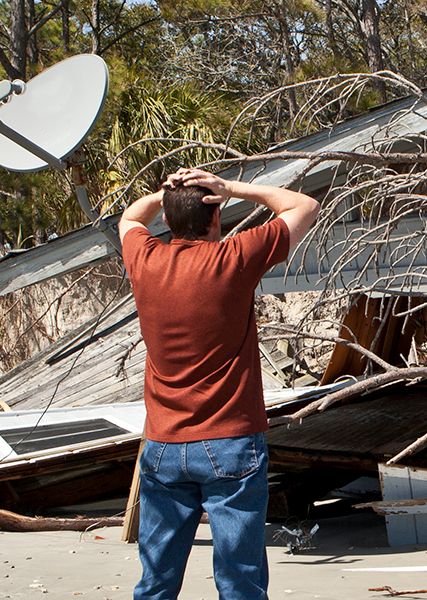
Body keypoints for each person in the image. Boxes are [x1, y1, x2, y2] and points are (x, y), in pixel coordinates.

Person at [118, 168, 319, 600]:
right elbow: (304, 206)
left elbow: (129, 219)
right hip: (231, 440)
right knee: (239, 582)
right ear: (215, 216)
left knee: (155, 583)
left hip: (164, 444)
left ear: (169, 221)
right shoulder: (233, 257)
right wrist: (232, 189)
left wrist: (166, 194)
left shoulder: (145, 259)